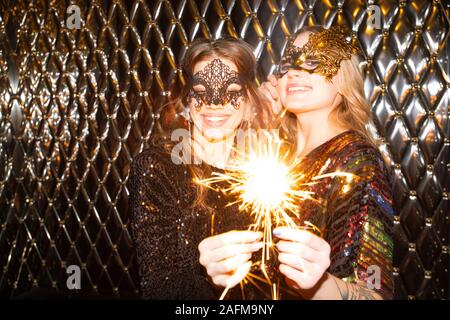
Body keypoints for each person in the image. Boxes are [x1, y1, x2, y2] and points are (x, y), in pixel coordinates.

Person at [129, 37, 275, 299]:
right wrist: (206, 276)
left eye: (230, 90)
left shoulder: (268, 171)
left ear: (248, 99)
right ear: (188, 98)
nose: (214, 103)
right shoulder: (158, 167)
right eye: (201, 90)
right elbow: (157, 290)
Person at [255, 25, 394, 299]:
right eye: (287, 64)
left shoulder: (357, 161)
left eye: (312, 61)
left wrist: (316, 284)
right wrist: (254, 118)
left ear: (343, 79)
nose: (294, 71)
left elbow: (373, 294)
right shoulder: (273, 153)